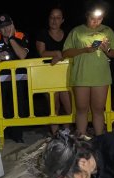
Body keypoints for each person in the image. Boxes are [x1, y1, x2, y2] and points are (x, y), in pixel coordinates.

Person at [62, 0, 114, 138]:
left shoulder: (107, 30)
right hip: (81, 76)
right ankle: (81, 139)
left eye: (99, 18)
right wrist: (84, 50)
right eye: (93, 18)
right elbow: (65, 52)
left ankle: (100, 139)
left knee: (98, 110)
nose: (96, 21)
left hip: (101, 76)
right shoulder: (76, 31)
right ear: (87, 16)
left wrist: (107, 49)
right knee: (81, 109)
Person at [0, 13, 30, 143]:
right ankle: (3, 134)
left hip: (18, 79)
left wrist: (11, 39)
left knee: (18, 106)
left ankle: (17, 135)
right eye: (2, 27)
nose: (6, 29)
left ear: (13, 24)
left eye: (8, 25)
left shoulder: (21, 35)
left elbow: (22, 55)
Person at [36, 6, 72, 137]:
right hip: (49, 75)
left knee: (69, 106)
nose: (54, 20)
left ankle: (67, 132)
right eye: (52, 17)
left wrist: (60, 55)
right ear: (48, 19)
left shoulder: (68, 34)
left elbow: (71, 51)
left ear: (62, 20)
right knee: (54, 106)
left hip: (66, 74)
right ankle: (56, 134)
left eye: (57, 18)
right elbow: (42, 53)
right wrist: (56, 53)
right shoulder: (42, 34)